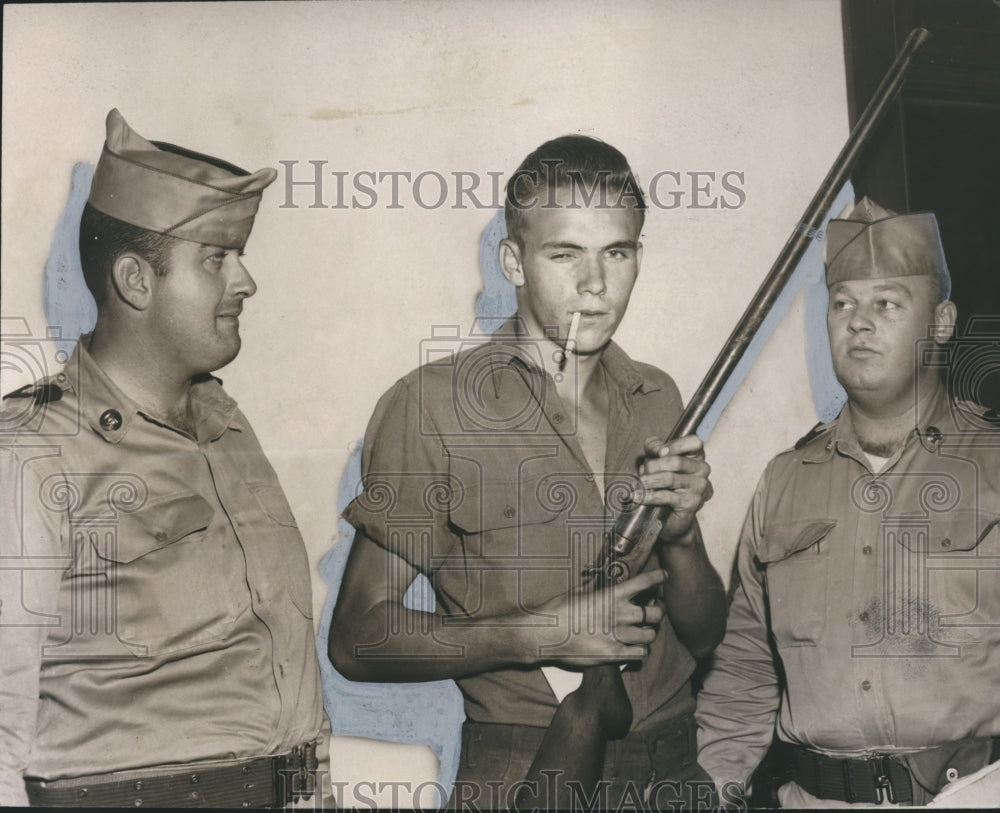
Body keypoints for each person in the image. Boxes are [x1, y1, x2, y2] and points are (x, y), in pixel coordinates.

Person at [329, 135, 726, 810]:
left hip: (673, 766)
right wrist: (542, 634)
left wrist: (683, 537)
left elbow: (706, 632)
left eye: (617, 252)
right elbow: (358, 638)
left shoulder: (657, 397)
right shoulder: (431, 406)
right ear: (513, 260)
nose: (595, 283)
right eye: (564, 253)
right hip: (524, 763)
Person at [0, 110, 326, 808]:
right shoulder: (31, 451)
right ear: (136, 280)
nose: (245, 282)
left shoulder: (225, 426)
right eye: (216, 257)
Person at [696, 197, 1000, 807]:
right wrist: (715, 789)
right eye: (842, 303)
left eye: (887, 303)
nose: (857, 321)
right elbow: (747, 665)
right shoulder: (785, 481)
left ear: (941, 323)